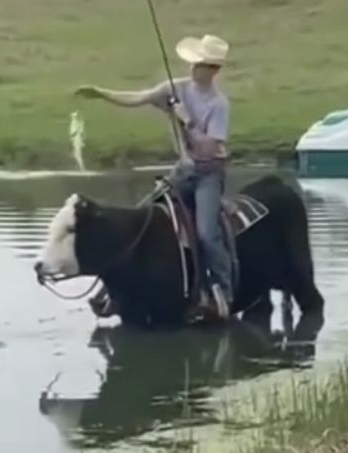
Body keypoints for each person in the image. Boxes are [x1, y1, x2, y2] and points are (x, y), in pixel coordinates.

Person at [74, 34, 234, 321]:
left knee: (207, 234)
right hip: (183, 171)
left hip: (209, 174)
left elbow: (210, 147)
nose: (196, 69)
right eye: (195, 63)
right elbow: (137, 98)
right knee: (141, 218)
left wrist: (186, 118)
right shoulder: (176, 89)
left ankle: (223, 289)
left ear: (214, 70)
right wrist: (101, 93)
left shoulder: (219, 104)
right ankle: (110, 293)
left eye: (203, 65)